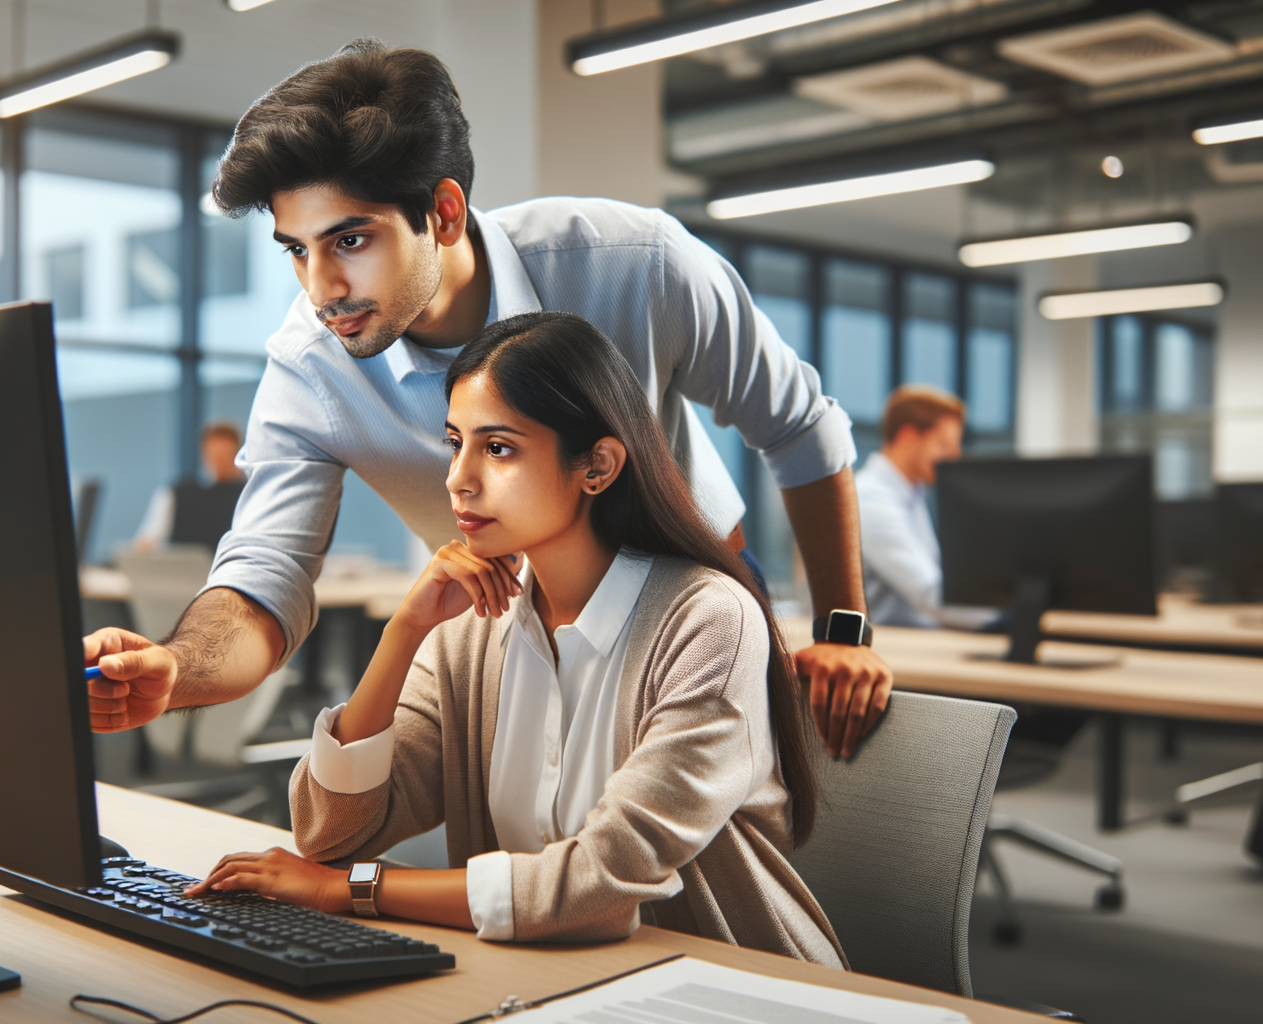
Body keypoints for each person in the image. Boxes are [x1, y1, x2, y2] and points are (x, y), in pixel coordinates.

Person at [85, 40, 889, 760]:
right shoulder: (311, 366)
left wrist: (842, 631)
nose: (322, 289)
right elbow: (267, 573)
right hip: (524, 622)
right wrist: (175, 670)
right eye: (298, 251)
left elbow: (798, 427)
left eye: (350, 240)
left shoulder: (633, 264)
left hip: (698, 593)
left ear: (442, 212)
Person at [182, 311, 843, 966]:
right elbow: (331, 833)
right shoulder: (468, 631)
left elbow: (596, 885)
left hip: (731, 990)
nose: (457, 478)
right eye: (454, 442)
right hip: (550, 983)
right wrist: (405, 633)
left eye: (497, 448)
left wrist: (354, 892)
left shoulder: (707, 620)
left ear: (599, 465)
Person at [854, 385, 992, 629]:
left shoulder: (911, 495)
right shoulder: (870, 499)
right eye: (944, 445)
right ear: (908, 437)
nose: (954, 456)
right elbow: (930, 592)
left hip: (915, 638)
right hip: (889, 647)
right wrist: (1007, 616)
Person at [132, 421, 249, 554]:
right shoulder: (175, 494)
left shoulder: (249, 496)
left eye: (225, 456)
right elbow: (147, 540)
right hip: (182, 571)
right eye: (214, 456)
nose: (219, 463)